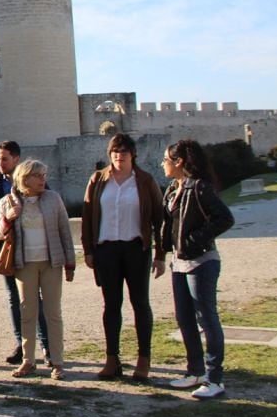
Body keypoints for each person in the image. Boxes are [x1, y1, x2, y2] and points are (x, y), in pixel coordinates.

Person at [81, 134, 165, 381]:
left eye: (124, 152)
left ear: (133, 155)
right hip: (107, 249)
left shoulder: (145, 181)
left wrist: (160, 254)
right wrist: (88, 250)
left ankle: (144, 358)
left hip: (136, 248)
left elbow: (159, 219)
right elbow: (87, 216)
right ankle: (112, 359)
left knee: (140, 303)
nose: (119, 156)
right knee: (111, 305)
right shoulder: (98, 180)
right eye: (115, 152)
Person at [161, 139, 235, 399]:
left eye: (166, 160)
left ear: (179, 162)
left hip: (202, 262)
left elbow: (224, 218)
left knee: (207, 319)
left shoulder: (200, 188)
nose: (163, 164)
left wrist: (194, 240)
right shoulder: (172, 189)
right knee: (184, 318)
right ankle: (195, 371)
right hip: (179, 263)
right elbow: (168, 224)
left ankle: (215, 379)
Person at [0, 159, 76, 380]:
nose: (43, 180)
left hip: (50, 263)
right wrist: (8, 219)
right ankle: (28, 360)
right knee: (27, 313)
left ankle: (57, 362)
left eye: (44, 175)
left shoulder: (53, 199)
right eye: (38, 176)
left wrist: (70, 262)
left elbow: (64, 231)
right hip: (24, 263)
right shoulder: (7, 201)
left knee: (53, 313)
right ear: (24, 178)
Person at [0, 140, 50, 365]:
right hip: (7, 249)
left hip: (31, 248)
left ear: (16, 159)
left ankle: (46, 345)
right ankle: (21, 345)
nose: (0, 163)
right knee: (13, 299)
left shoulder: (32, 180)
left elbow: (46, 207)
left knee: (34, 299)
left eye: (5, 159)